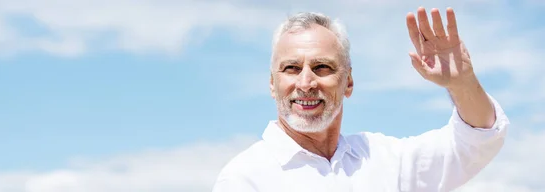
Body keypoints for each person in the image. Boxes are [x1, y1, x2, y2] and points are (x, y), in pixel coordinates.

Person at [212, 7, 509, 192]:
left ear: (349, 82)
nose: (306, 83)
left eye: (322, 67)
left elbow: (476, 141)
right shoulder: (244, 179)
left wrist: (463, 84)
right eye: (291, 68)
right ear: (272, 84)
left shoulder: (385, 160)